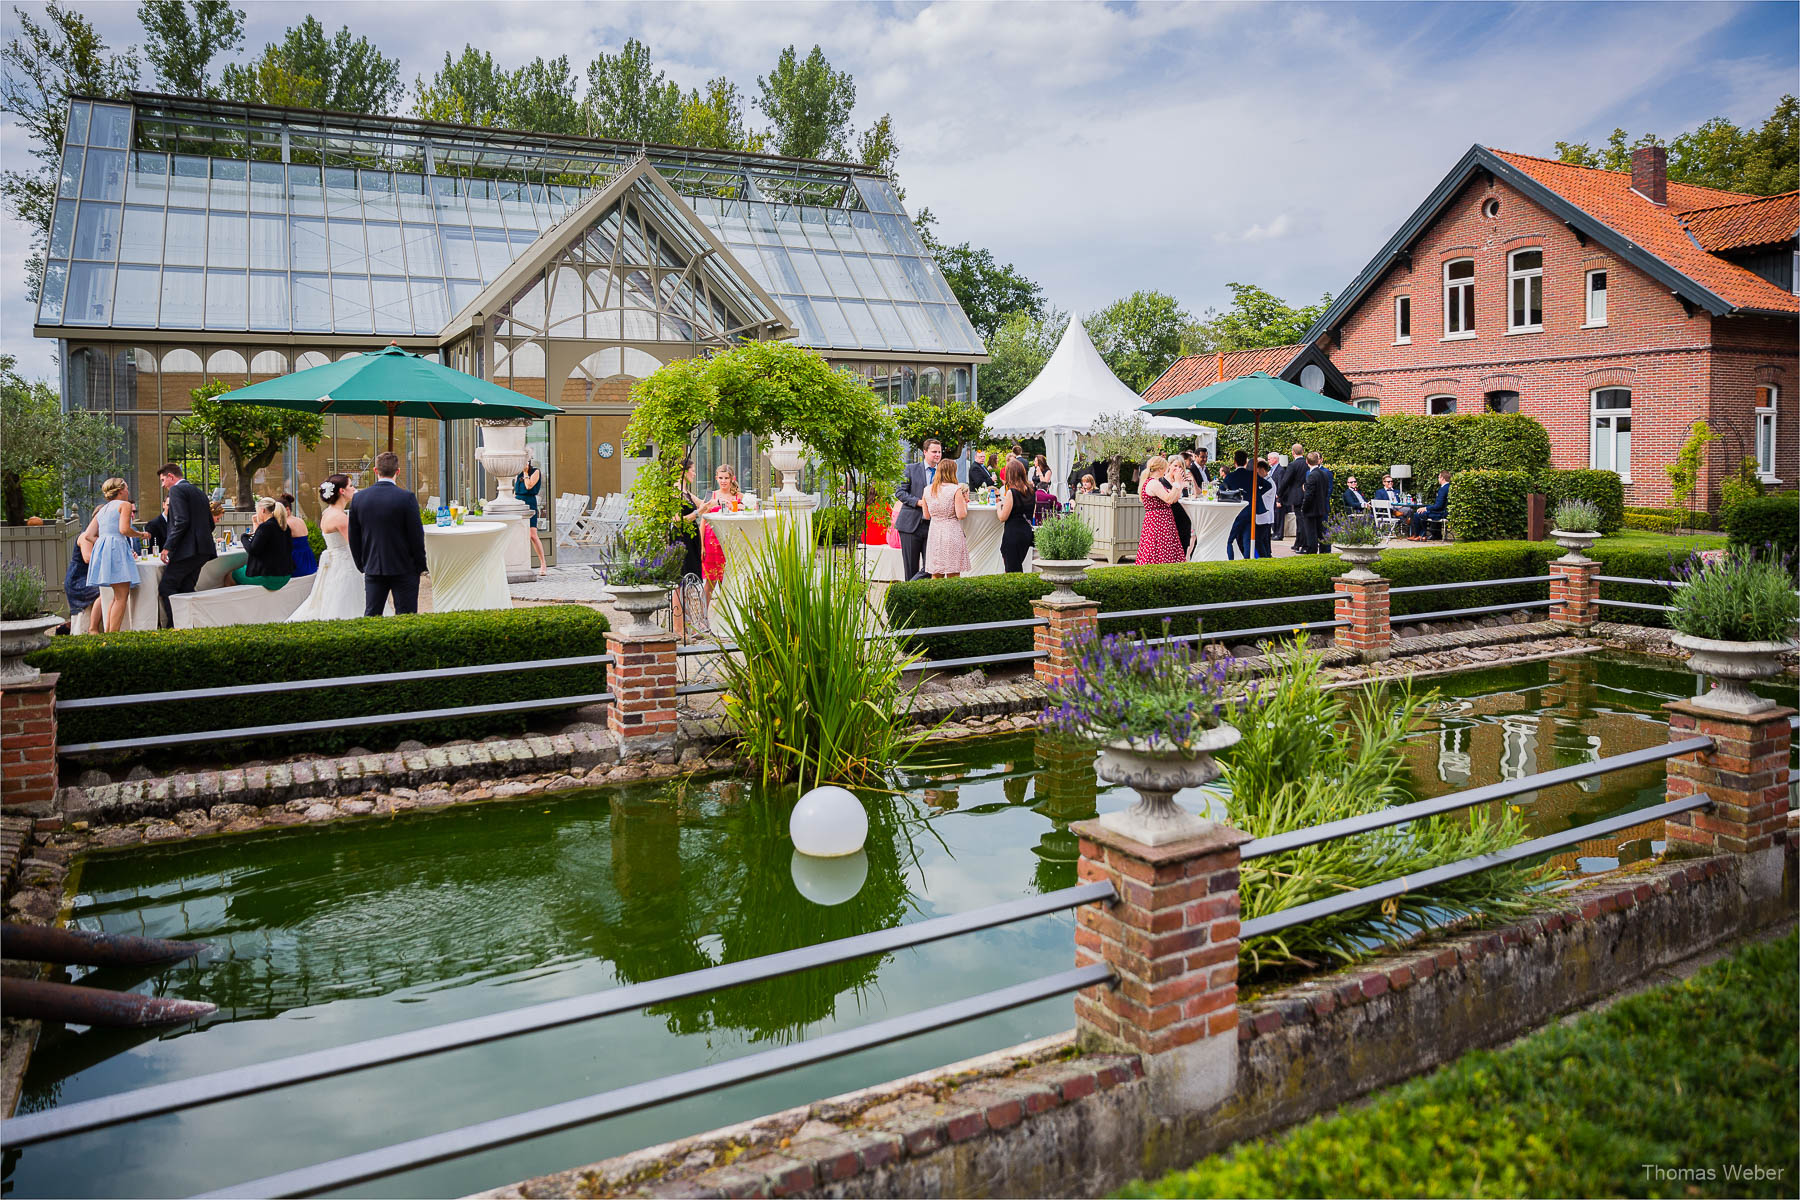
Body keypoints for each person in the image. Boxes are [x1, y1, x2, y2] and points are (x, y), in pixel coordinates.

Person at [348, 450, 428, 615]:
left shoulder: (359, 498)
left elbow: (354, 537)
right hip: (404, 567)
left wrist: (362, 564)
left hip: (373, 565)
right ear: (397, 472)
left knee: (372, 615)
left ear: (375, 471)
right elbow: (416, 536)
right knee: (406, 616)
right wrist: (420, 565)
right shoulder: (406, 498)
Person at [288, 475, 368, 621]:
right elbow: (357, 544)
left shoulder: (328, 513)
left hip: (335, 562)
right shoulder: (340, 517)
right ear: (342, 491)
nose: (354, 488)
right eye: (351, 486)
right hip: (346, 563)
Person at [155, 463, 217, 627]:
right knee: (186, 587)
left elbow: (181, 521)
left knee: (167, 587)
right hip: (203, 550)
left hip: (188, 550)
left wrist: (168, 547)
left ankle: (173, 626)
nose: (163, 485)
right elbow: (211, 524)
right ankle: (191, 624)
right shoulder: (199, 492)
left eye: (163, 480)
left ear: (171, 477)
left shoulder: (176, 490)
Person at [80, 477, 140, 632]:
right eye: (126, 488)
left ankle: (110, 633)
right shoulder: (124, 505)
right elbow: (124, 530)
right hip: (117, 549)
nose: (128, 491)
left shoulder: (103, 510)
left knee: (116, 595)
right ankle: (113, 635)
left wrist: (103, 542)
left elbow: (88, 535)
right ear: (120, 491)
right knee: (121, 595)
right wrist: (141, 534)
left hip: (106, 551)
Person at [893, 437, 943, 581]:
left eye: (939, 452)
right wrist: (919, 502)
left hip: (933, 526)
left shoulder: (943, 472)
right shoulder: (910, 469)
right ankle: (910, 595)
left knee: (931, 568)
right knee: (910, 568)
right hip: (910, 525)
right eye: (934, 452)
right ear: (925, 452)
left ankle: (913, 591)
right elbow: (900, 492)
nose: (937, 455)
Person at [696, 463, 744, 609]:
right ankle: (702, 617)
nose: (723, 481)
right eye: (721, 478)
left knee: (728, 583)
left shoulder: (739, 496)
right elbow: (703, 521)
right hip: (710, 543)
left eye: (726, 478)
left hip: (730, 543)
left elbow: (748, 511)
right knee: (710, 584)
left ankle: (729, 619)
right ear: (717, 478)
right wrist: (701, 546)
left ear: (732, 479)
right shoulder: (711, 496)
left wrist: (738, 506)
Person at [232, 497, 296, 590]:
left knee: (230, 576)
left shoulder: (266, 527)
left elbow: (252, 550)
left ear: (262, 510)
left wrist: (244, 537)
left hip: (269, 576)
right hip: (285, 574)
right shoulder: (284, 527)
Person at [922, 457, 971, 578]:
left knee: (936, 573)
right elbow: (961, 515)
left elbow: (926, 515)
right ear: (952, 472)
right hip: (951, 531)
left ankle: (936, 597)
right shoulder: (955, 489)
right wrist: (964, 502)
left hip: (935, 532)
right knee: (953, 573)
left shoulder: (927, 490)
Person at [1135, 456, 1186, 565]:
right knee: (1158, 550)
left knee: (1162, 549)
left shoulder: (1154, 482)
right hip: (1158, 522)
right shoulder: (1153, 483)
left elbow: (1173, 498)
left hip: (1161, 521)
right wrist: (1176, 482)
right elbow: (1168, 499)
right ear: (1160, 469)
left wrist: (1179, 484)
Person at [996, 459, 1034, 572]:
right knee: (1017, 568)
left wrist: (999, 506)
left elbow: (1002, 517)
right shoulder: (1031, 491)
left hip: (1013, 535)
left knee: (1012, 571)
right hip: (1026, 534)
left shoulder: (1011, 493)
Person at [514, 456, 547, 577]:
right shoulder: (518, 473)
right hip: (517, 502)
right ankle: (518, 562)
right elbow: (516, 490)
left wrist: (525, 472)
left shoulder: (535, 471)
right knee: (517, 533)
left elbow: (529, 486)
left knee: (532, 535)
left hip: (529, 503)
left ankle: (543, 563)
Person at [63, 537, 100, 634]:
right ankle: (93, 628)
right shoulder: (85, 537)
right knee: (103, 593)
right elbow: (87, 558)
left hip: (91, 578)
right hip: (78, 579)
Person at [1222, 450, 1254, 560]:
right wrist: (1255, 494)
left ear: (1235, 462)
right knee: (1247, 540)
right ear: (1246, 461)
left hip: (1236, 511)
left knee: (1229, 540)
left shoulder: (1230, 476)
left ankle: (1231, 562)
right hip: (1250, 510)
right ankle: (1247, 561)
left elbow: (1222, 491)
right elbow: (1267, 485)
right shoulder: (1252, 475)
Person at [278, 493, 318, 577]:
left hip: (297, 561)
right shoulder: (300, 520)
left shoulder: (286, 523)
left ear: (287, 509)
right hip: (309, 560)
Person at [1298, 452, 1332, 553]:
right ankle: (1324, 552)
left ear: (1307, 461)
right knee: (1321, 533)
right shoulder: (1324, 474)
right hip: (1321, 508)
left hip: (1311, 510)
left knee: (1311, 535)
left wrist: (1303, 508)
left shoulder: (1312, 475)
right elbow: (1325, 492)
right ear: (1318, 461)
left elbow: (1309, 495)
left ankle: (1312, 553)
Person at [1276, 442, 1308, 543]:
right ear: (1302, 451)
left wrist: (1279, 493)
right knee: (1304, 519)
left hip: (1296, 495)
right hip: (1307, 493)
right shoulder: (1307, 463)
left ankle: (1301, 542)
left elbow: (1285, 481)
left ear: (1293, 452)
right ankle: (1299, 542)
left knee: (1300, 519)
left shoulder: (1293, 465)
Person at [1411, 471, 1452, 539]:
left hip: (1441, 513)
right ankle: (1435, 535)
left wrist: (1426, 508)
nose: (1438, 479)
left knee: (1418, 514)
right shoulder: (1450, 487)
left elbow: (1438, 506)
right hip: (1446, 512)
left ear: (1442, 478)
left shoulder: (1443, 489)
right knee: (1422, 513)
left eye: (1439, 477)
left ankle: (1420, 535)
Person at [1253, 458, 1276, 559]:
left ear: (1262, 470)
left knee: (1259, 540)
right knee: (1264, 540)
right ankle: (1267, 556)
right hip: (1263, 516)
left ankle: (1265, 558)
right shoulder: (1266, 481)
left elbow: (1259, 496)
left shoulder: (1269, 483)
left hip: (1265, 516)